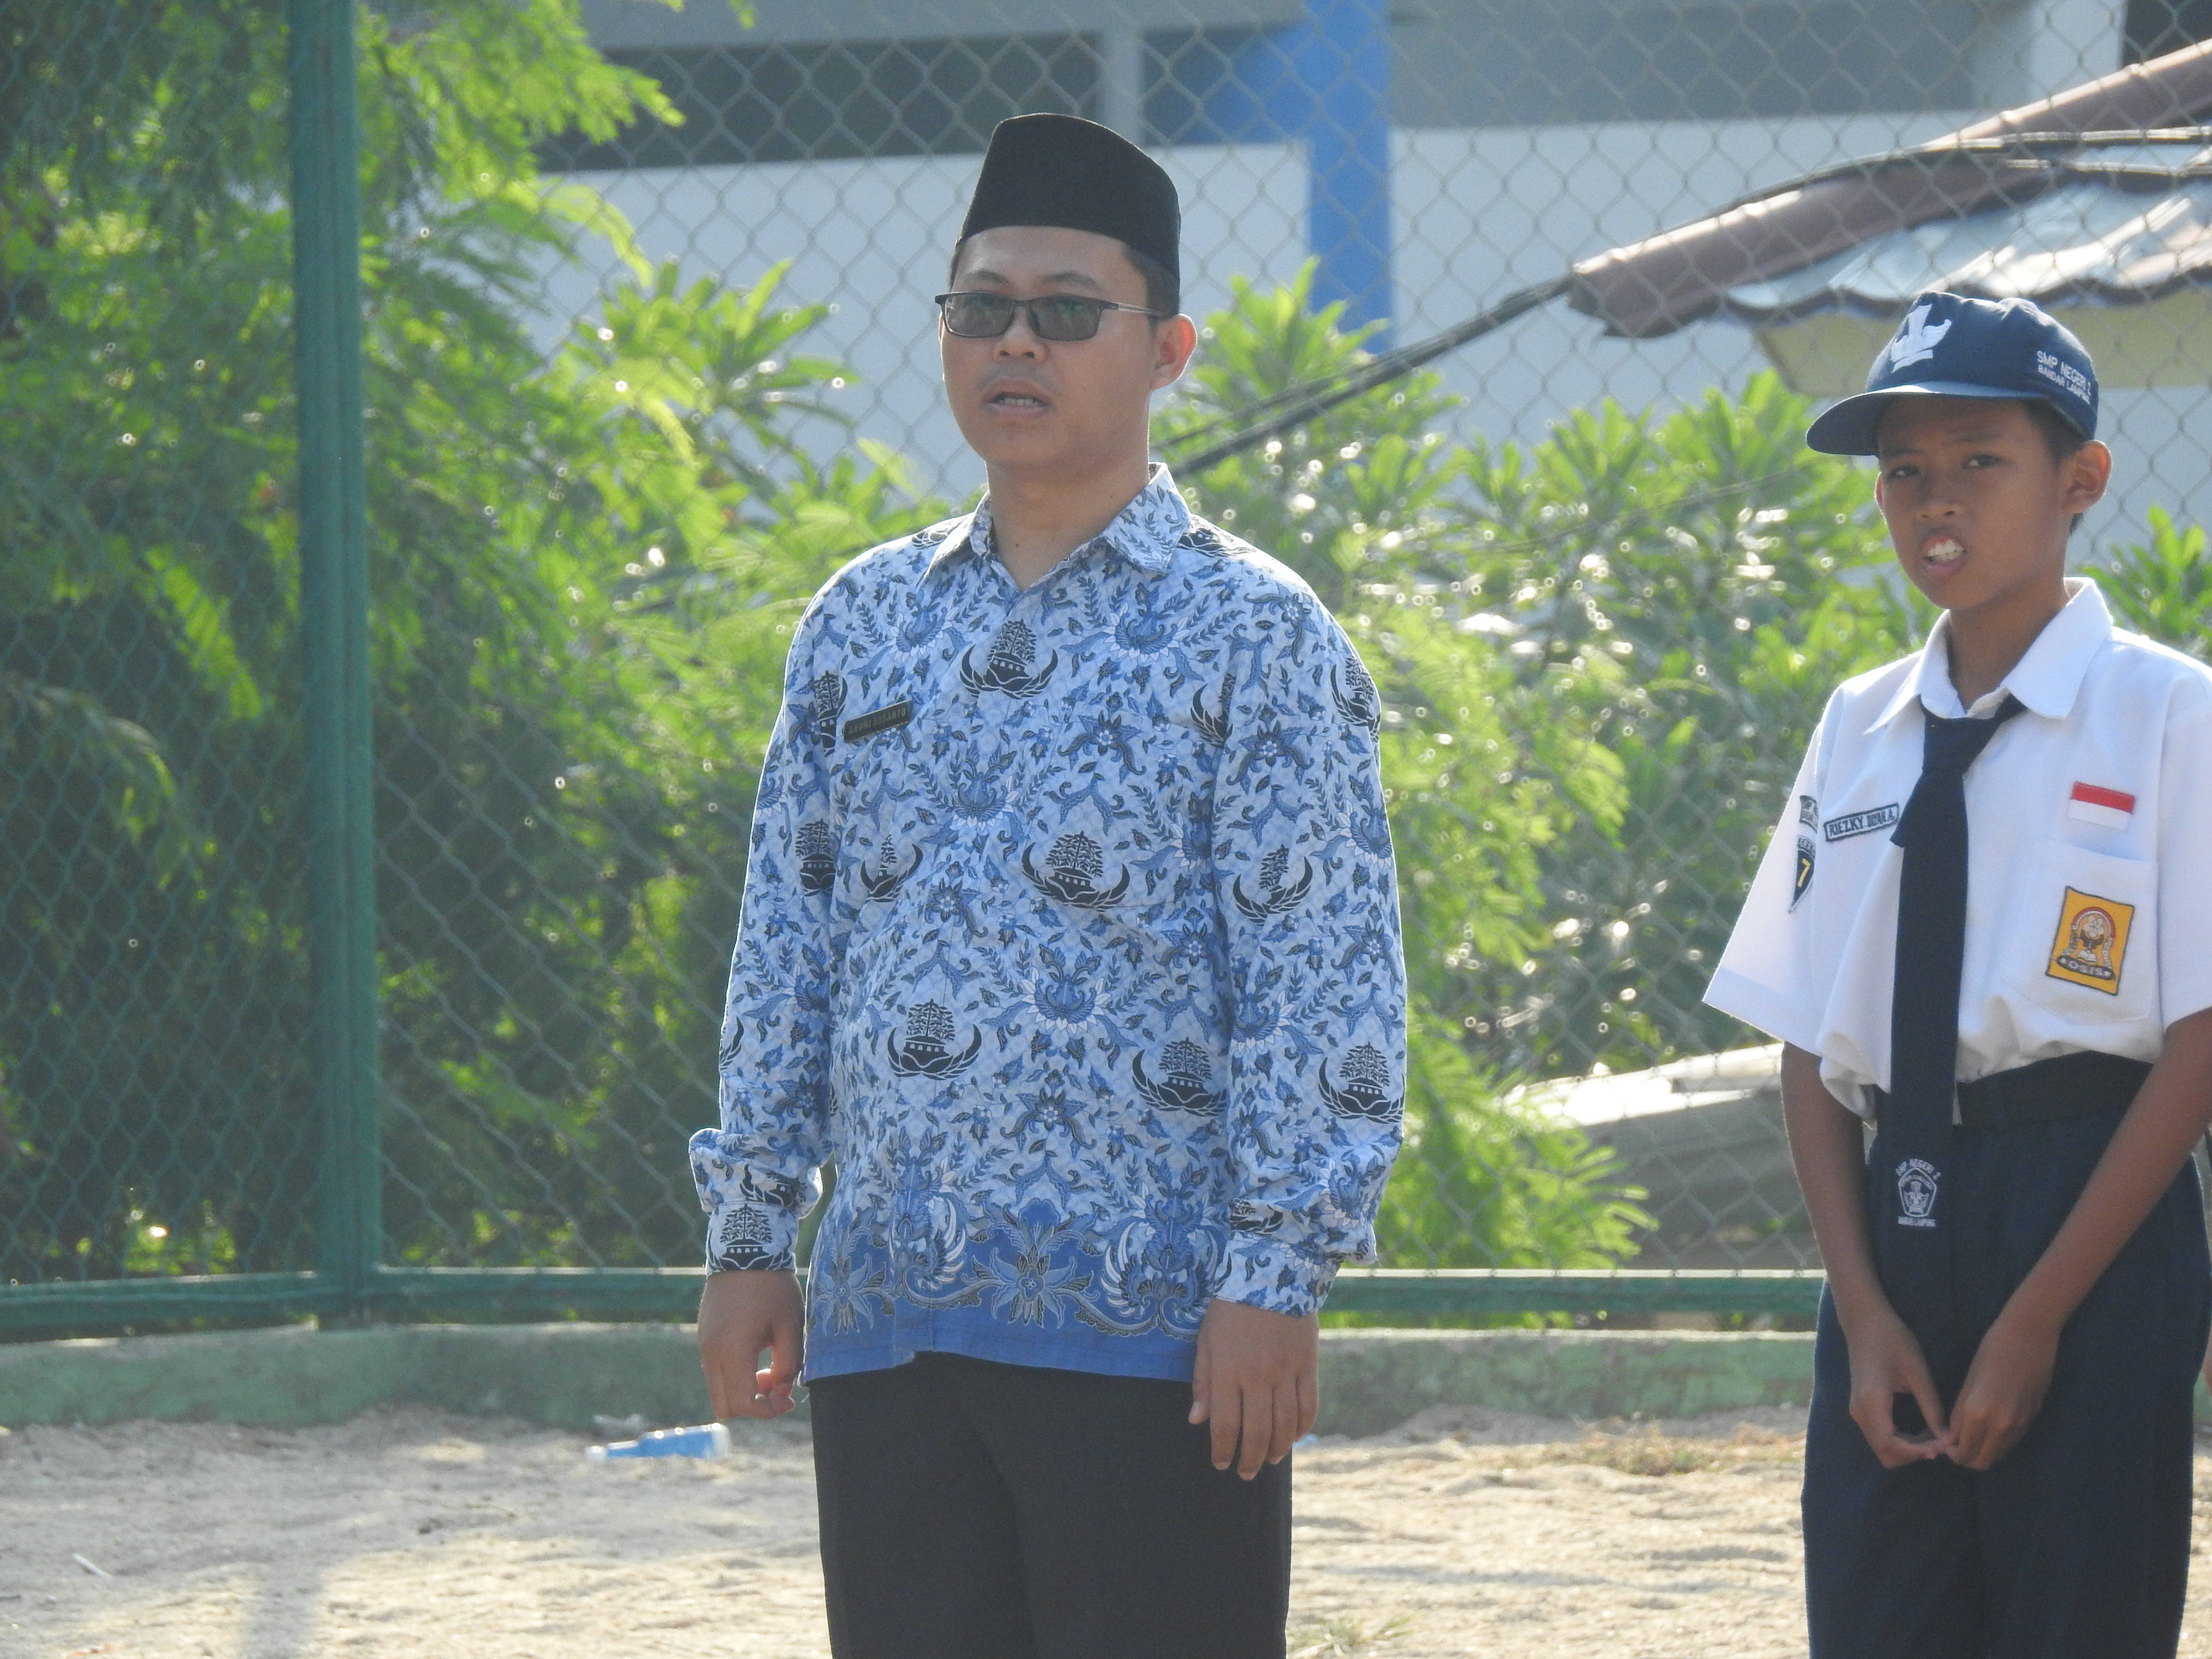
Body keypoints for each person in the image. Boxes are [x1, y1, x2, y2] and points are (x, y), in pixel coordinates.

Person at [689, 113, 1406, 1659]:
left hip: (1158, 1338)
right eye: (983, 306)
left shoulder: (1257, 635)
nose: (1018, 342)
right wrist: (749, 1240)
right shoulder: (861, 622)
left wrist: (1278, 1277)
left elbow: (1323, 981)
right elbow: (788, 945)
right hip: (887, 1321)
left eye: (1069, 311)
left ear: (1167, 350)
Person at [1705, 289, 2212, 1658]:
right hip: (1900, 1214)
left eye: (1981, 461)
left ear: (2080, 480)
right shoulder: (1859, 724)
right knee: (1881, 1606)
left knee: (2078, 1612)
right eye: (1903, 471)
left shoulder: (2171, 714)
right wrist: (1863, 1311)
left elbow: (2201, 1041)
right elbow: (1809, 1036)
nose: (1937, 500)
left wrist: (2040, 1317)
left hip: (2090, 1205)